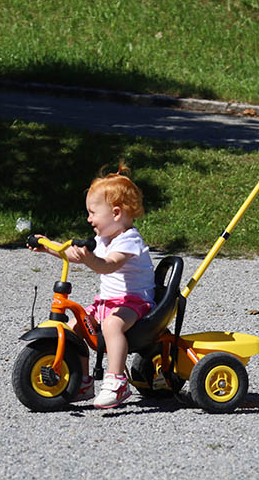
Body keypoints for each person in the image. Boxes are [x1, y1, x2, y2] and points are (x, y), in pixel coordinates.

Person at [32, 165, 156, 409]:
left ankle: (116, 381)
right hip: (107, 302)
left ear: (116, 213)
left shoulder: (129, 240)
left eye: (92, 213)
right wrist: (48, 246)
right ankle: (83, 381)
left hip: (134, 303)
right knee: (74, 326)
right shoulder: (104, 239)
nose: (89, 219)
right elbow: (75, 254)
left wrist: (91, 259)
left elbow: (108, 265)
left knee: (112, 324)